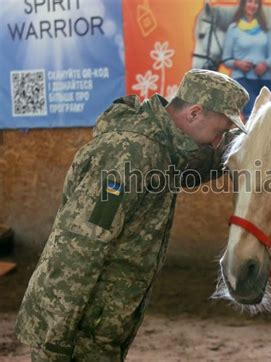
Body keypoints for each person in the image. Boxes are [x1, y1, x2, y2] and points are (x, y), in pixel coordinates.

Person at [15, 69, 249, 361]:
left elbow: (196, 168)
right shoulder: (128, 154)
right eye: (219, 132)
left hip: (102, 323)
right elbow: (79, 246)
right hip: (78, 329)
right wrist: (58, 338)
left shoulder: (164, 147)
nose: (218, 142)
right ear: (194, 113)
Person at [222, 0, 271, 119]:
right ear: (243, 4)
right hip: (243, 80)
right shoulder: (234, 28)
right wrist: (238, 63)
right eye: (250, 1)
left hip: (263, 81)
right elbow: (226, 58)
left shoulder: (265, 28)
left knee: (267, 118)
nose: (253, 5)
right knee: (254, 116)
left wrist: (265, 65)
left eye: (256, 3)